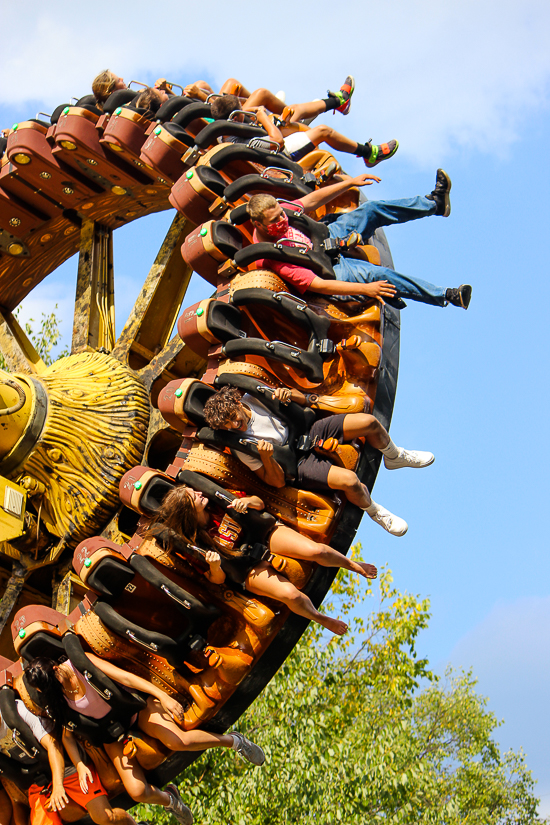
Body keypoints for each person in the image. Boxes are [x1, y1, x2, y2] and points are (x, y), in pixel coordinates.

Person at [26, 655, 264, 825]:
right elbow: (68, 735)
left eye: (54, 683)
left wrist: (161, 696)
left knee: (178, 741)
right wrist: (79, 765)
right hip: (111, 734)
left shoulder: (79, 664)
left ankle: (234, 741)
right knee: (137, 791)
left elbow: (126, 678)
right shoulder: (58, 697)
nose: (55, 688)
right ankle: (172, 801)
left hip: (134, 709)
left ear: (56, 669)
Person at [203, 386, 435, 537]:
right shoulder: (241, 446)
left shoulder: (254, 397)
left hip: (309, 430)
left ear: (236, 403)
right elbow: (275, 482)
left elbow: (302, 399)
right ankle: (375, 511)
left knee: (370, 422)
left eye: (234, 419)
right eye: (228, 427)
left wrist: (287, 394)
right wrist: (266, 457)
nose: (236, 426)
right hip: (296, 462)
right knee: (350, 481)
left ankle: (394, 456)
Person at [144, 484, 370, 636]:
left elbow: (259, 504)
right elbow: (217, 580)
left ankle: (353, 565)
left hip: (264, 536)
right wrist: (214, 566)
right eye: (193, 496)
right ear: (187, 510)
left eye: (194, 490)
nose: (198, 493)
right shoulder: (195, 541)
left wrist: (248, 502)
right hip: (247, 568)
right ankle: (320, 618)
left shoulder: (217, 502)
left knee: (316, 551)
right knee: (290, 594)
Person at [246, 170, 472, 309]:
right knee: (379, 276)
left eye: (282, 214)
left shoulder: (280, 211)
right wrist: (367, 290)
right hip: (330, 269)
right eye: (276, 220)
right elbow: (320, 285)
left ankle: (434, 204)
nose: (283, 220)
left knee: (371, 209)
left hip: (328, 236)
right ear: (259, 225)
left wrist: (350, 182)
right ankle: (448, 296)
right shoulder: (274, 257)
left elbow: (311, 200)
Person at [0, 685, 142, 825]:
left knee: (104, 817)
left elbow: (53, 745)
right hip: (39, 777)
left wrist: (58, 785)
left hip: (66, 766)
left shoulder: (16, 711)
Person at [209, 91, 397, 169]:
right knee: (323, 131)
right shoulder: (237, 142)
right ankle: (369, 154)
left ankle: (338, 102)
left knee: (294, 111)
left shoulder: (227, 128)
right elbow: (276, 142)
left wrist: (260, 113)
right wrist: (265, 119)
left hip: (267, 136)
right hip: (279, 155)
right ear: (236, 117)